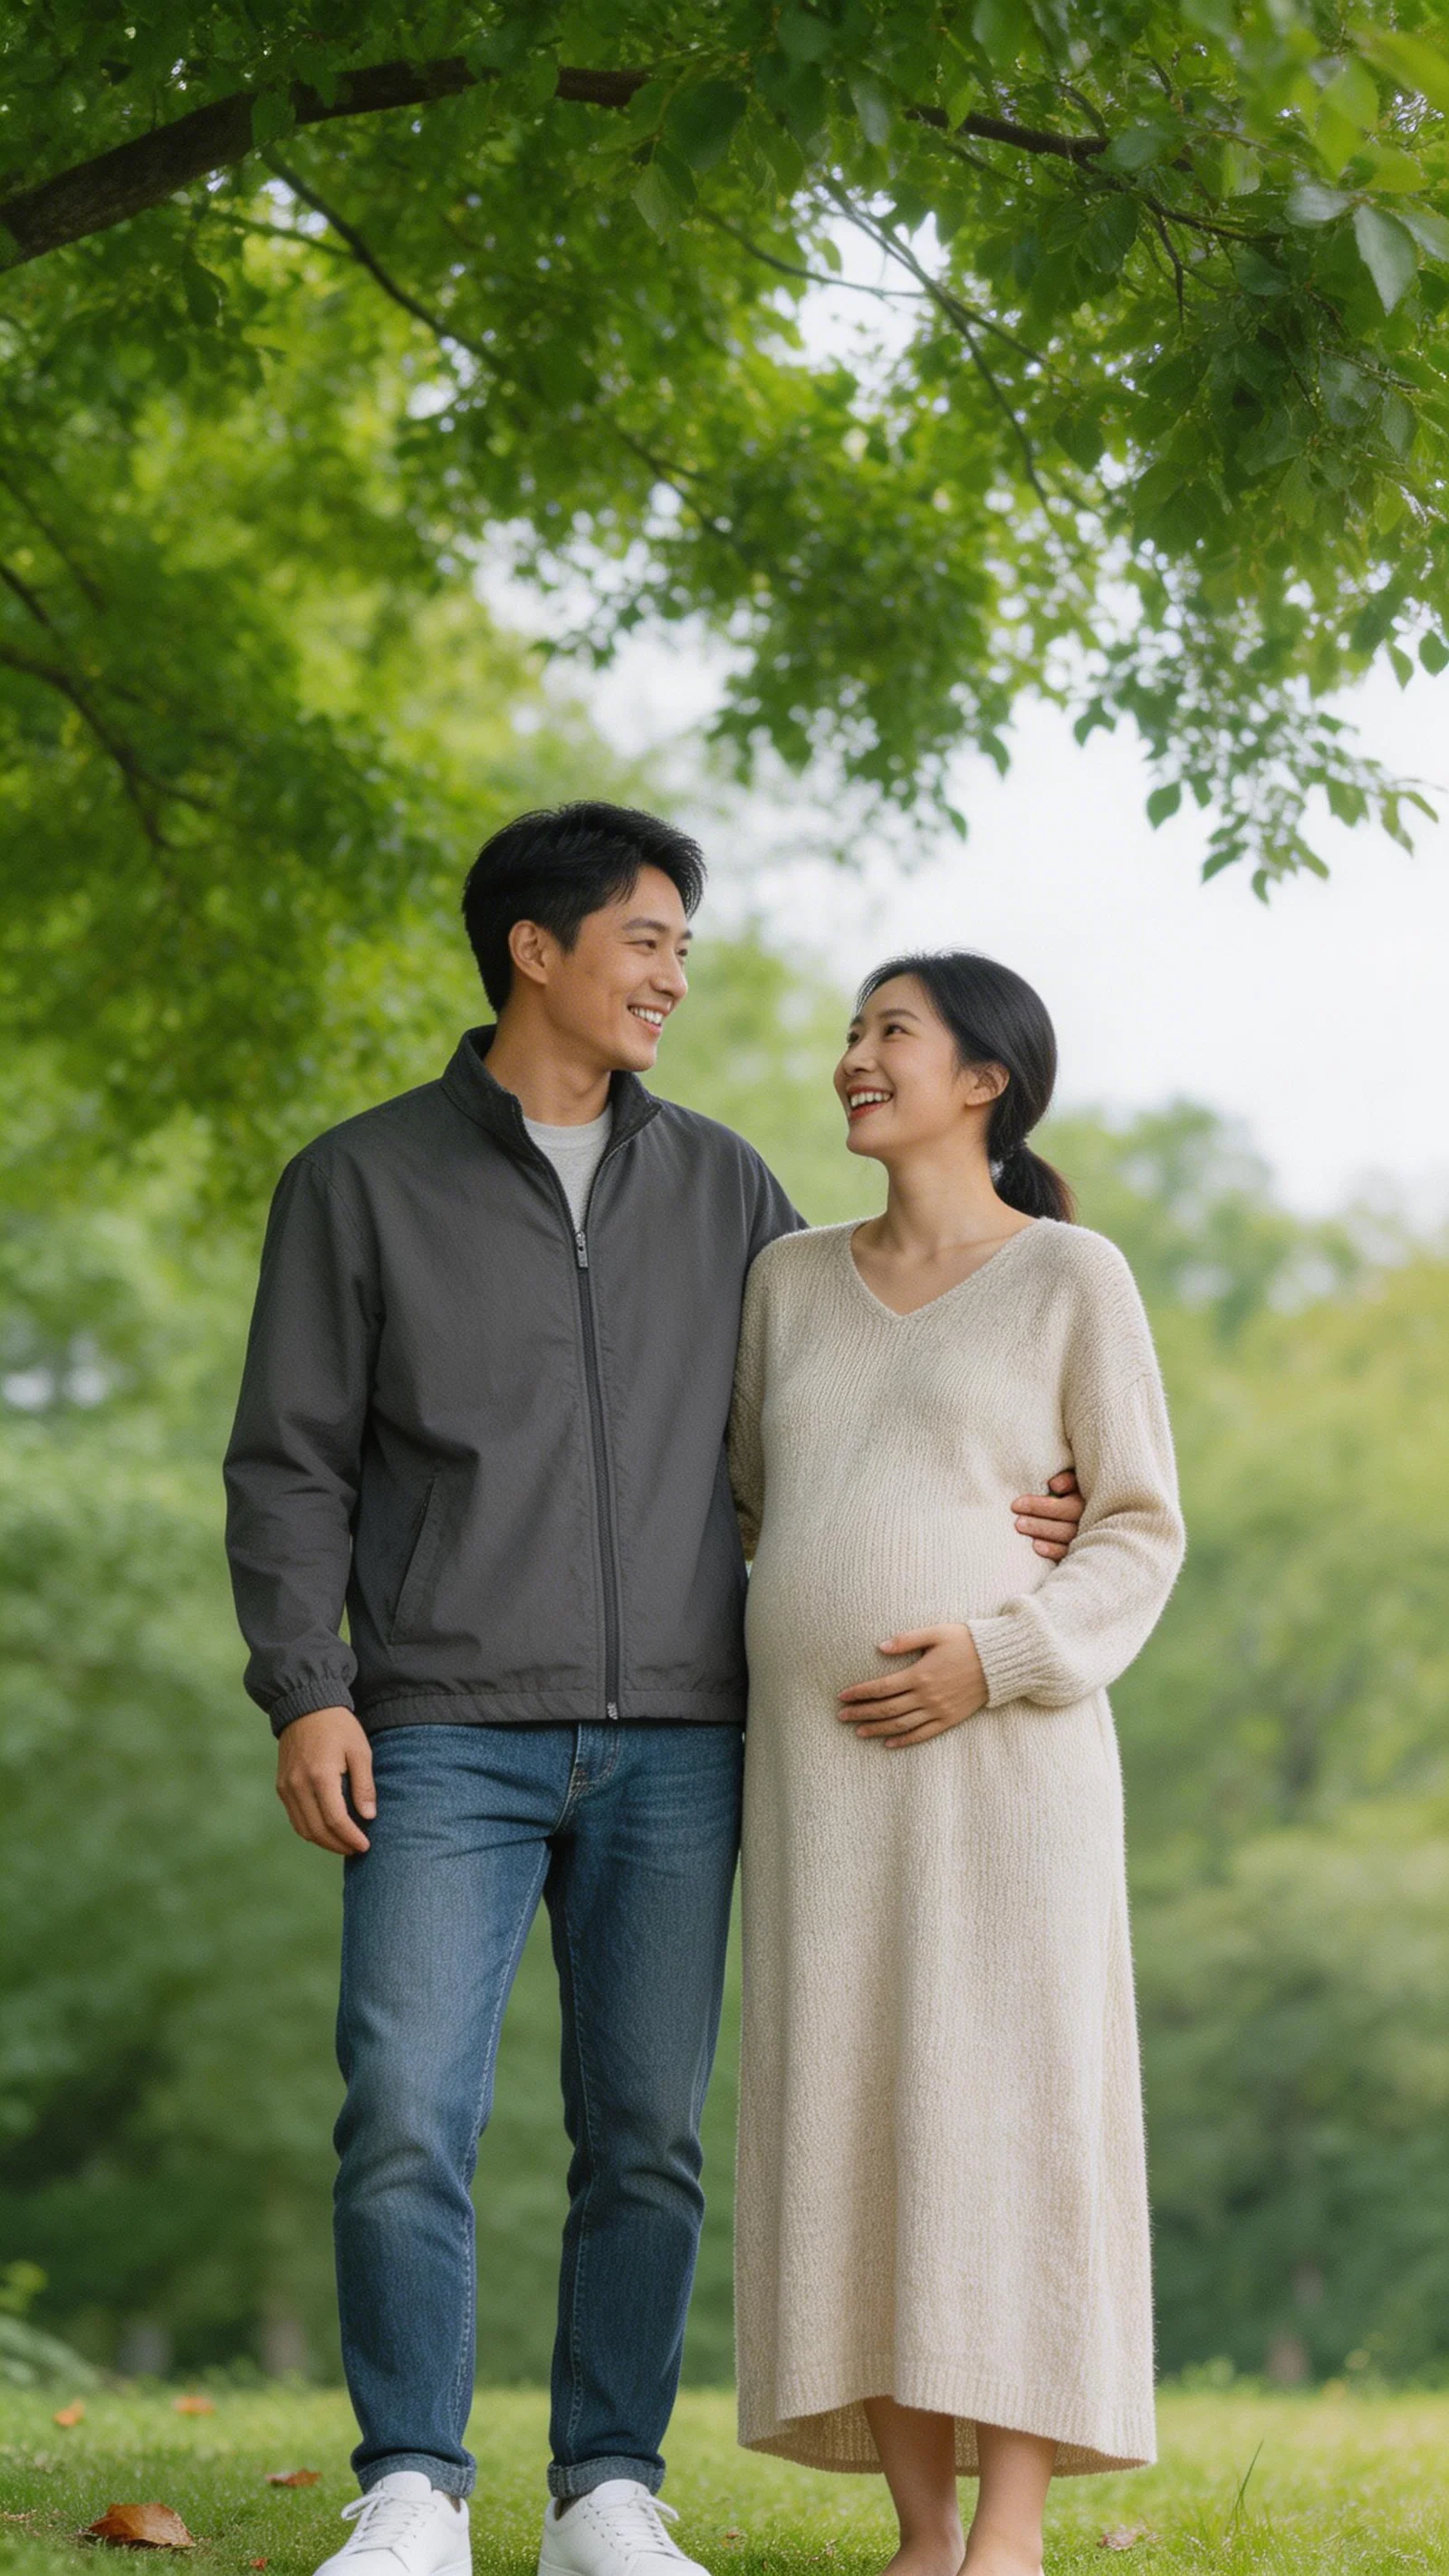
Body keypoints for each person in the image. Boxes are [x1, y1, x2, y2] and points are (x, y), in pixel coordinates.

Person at [224, 819, 1087, 2576]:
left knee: (647, 2135)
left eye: (682, 946)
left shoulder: (727, 1197)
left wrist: (1012, 1492)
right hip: (440, 1723)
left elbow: (852, 1407)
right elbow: (287, 1464)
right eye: (645, 941)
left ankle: (608, 2491)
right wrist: (306, 1688)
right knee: (404, 2108)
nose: (672, 976)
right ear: (533, 951)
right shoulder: (360, 1180)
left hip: (689, 1738)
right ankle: (410, 2488)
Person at [728, 952, 1185, 2576]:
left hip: (1009, 1777)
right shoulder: (784, 1281)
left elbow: (1136, 1530)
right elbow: (748, 1509)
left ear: (983, 1077)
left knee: (1002, 2110)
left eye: (890, 1034)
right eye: (854, 1034)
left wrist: (994, 1657)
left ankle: (1012, 2527)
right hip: (819, 1786)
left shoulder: (1073, 1275)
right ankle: (923, 2531)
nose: (855, 1058)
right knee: (854, 2108)